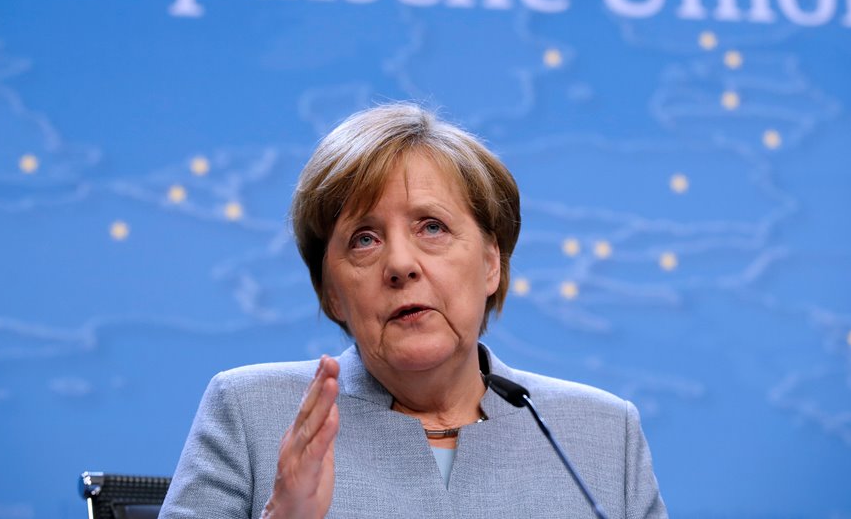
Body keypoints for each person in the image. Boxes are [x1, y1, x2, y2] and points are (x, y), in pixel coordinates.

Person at [159, 103, 667, 518]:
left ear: (491, 263)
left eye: (432, 227)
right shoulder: (252, 415)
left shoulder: (602, 435)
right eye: (364, 239)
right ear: (331, 292)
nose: (400, 263)